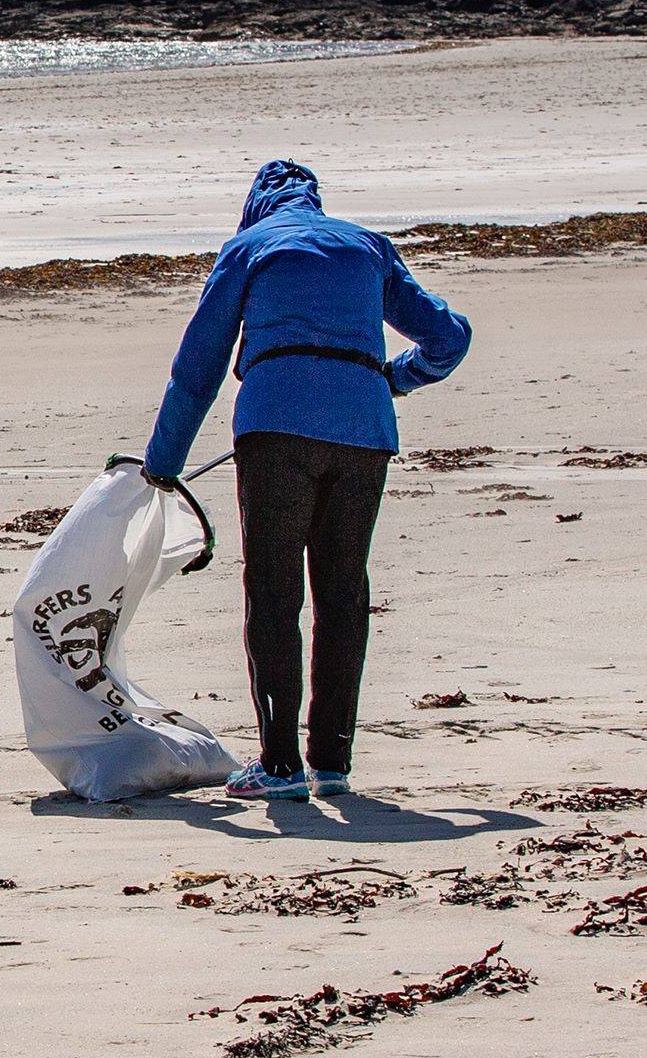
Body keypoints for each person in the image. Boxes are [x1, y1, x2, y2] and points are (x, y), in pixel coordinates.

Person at [141, 159, 471, 801]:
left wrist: (162, 465)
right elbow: (449, 339)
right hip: (364, 432)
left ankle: (280, 765)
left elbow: (198, 369)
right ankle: (333, 762)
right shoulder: (368, 246)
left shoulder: (249, 248)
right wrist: (394, 378)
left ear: (255, 206)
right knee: (343, 590)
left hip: (276, 428)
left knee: (274, 590)